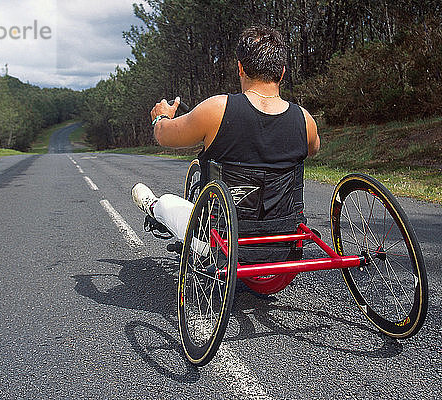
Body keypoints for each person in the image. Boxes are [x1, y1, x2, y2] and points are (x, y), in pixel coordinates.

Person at [132, 25, 320, 260]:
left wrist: (161, 117)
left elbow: (163, 135)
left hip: (223, 243)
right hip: (284, 241)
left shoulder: (217, 109)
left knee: (167, 203)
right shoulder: (305, 120)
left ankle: (152, 207)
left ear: (240, 68)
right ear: (282, 72)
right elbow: (313, 149)